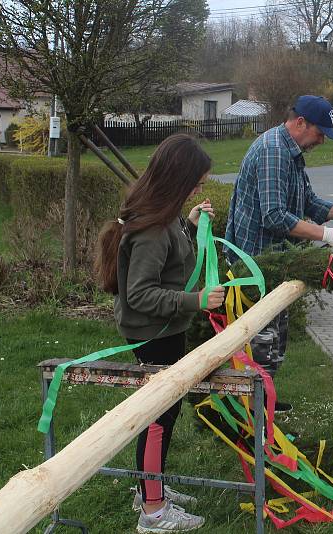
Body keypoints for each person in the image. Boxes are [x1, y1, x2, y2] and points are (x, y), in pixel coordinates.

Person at [95, 133, 226, 533]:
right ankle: (153, 510)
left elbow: (170, 260)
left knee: (163, 414)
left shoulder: (163, 217)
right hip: (154, 333)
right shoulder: (152, 229)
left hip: (164, 329)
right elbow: (140, 294)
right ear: (179, 178)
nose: (199, 189)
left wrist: (187, 224)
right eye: (198, 183)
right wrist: (197, 301)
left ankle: (148, 488)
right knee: (158, 416)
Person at [224, 95, 333, 413]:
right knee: (262, 341)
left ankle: (265, 400)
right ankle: (252, 413)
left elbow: (306, 201)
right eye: (320, 133)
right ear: (301, 123)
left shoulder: (291, 151)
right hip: (257, 264)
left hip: (276, 263)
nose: (321, 141)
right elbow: (273, 216)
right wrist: (327, 235)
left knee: (276, 339)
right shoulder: (274, 151)